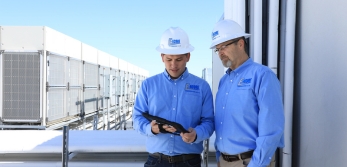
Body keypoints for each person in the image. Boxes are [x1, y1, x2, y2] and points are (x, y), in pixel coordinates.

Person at [133, 27, 214, 167]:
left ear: (188, 56)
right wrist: (151, 129)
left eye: (179, 59)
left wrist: (196, 134)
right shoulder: (148, 85)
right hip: (156, 161)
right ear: (162, 57)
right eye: (169, 59)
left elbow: (209, 122)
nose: (173, 65)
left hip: (189, 162)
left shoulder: (202, 87)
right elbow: (137, 118)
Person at [210, 19, 285, 167]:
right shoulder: (223, 82)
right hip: (224, 162)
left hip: (251, 162)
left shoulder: (262, 76)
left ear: (240, 44)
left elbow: (272, 130)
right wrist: (220, 158)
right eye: (217, 49)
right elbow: (222, 125)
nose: (220, 53)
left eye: (224, 46)